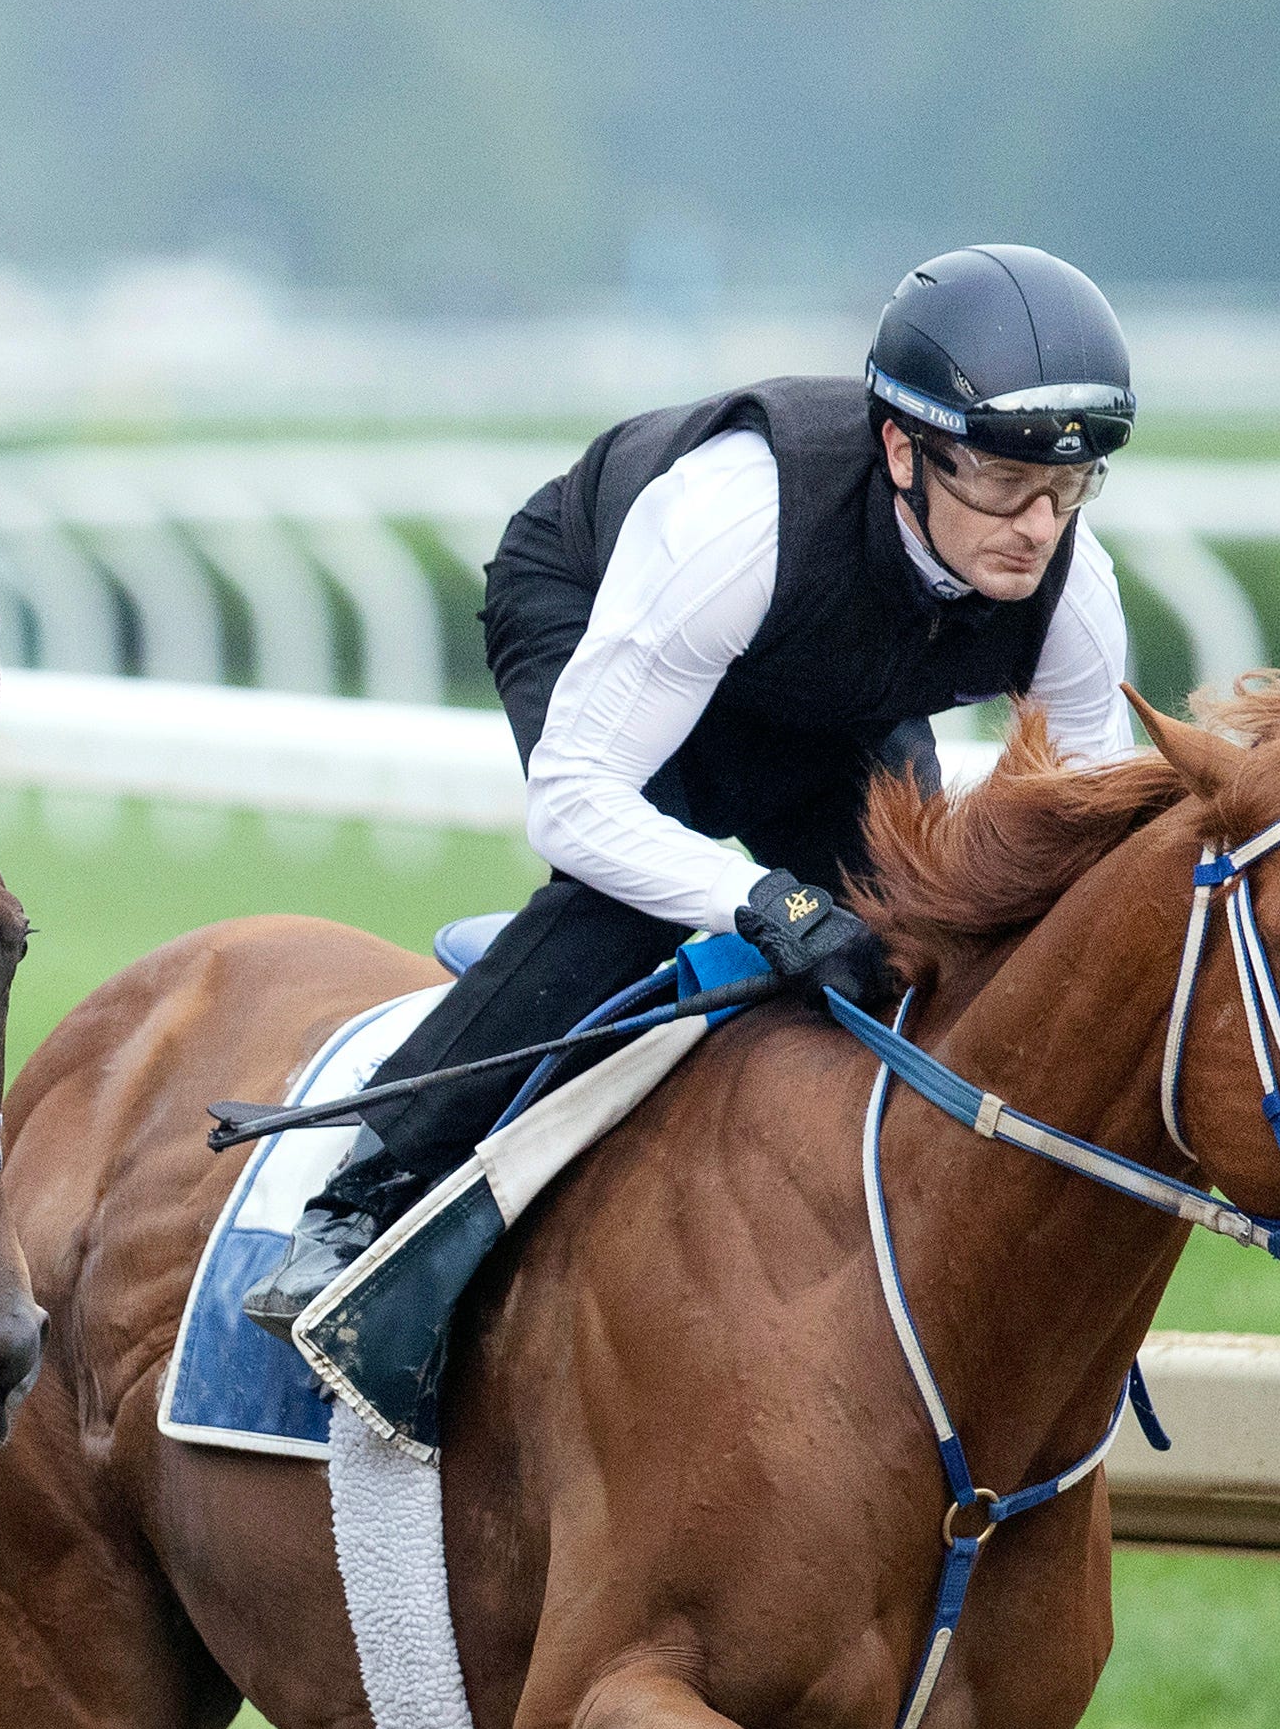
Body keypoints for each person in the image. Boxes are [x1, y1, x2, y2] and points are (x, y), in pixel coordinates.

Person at [244, 243, 1137, 1335]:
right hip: (596, 605)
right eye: (1003, 484)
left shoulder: (1071, 588)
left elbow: (1077, 843)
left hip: (819, 690)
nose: (1037, 529)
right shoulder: (735, 516)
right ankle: (361, 1190)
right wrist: (761, 900)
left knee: (904, 924)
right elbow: (578, 802)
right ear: (901, 449)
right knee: (632, 900)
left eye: (1067, 487)